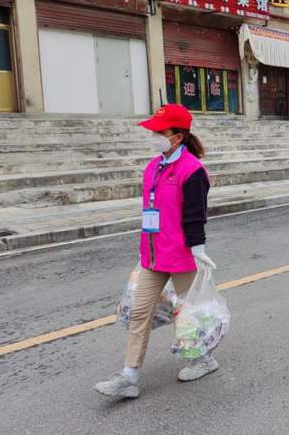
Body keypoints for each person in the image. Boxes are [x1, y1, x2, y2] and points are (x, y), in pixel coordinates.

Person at [95, 104, 215, 398]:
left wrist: (198, 248)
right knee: (139, 313)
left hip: (182, 255)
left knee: (187, 314)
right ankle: (129, 376)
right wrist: (144, 251)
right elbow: (151, 210)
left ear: (178, 136)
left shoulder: (192, 170)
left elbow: (195, 215)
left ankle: (201, 359)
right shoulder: (153, 167)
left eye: (159, 132)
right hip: (153, 256)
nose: (153, 136)